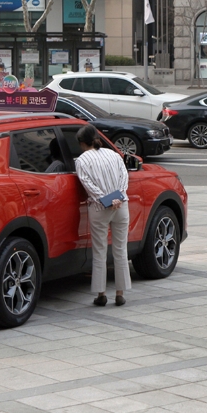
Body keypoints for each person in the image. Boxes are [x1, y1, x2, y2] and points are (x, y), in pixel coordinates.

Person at [74, 125, 131, 307]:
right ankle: (120, 294)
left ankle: (102, 294)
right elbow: (124, 177)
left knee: (100, 251)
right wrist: (117, 197)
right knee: (121, 250)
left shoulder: (82, 160)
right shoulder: (114, 155)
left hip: (99, 208)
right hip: (121, 205)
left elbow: (87, 184)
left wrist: (104, 199)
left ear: (83, 143)